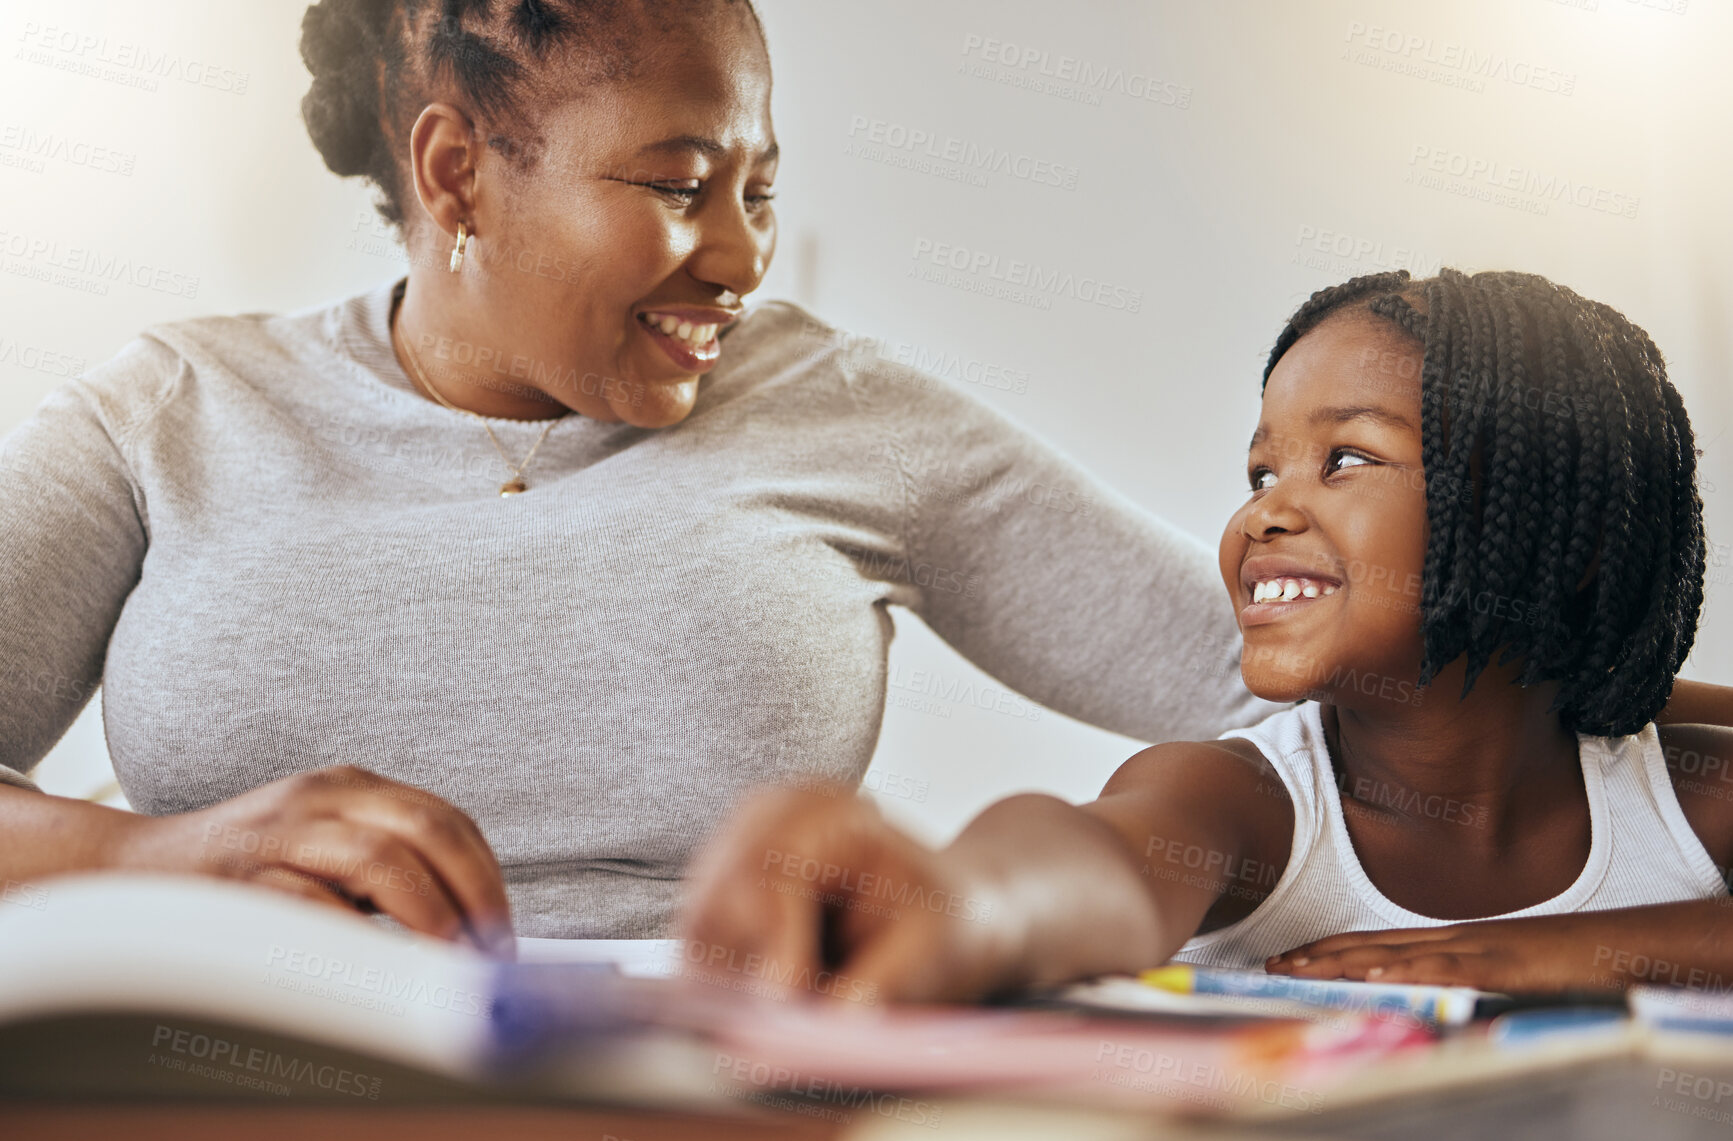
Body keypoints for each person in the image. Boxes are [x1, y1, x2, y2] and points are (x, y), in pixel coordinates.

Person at [0, 0, 1281, 950]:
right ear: (457, 175)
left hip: (707, 1096)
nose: (739, 256)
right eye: (676, 185)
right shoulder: (171, 411)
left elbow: (1289, 689)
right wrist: (157, 852)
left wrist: (1065, 877)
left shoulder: (832, 405)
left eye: (758, 190)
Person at [683, 269, 1733, 1000]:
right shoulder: (1245, 804)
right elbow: (1085, 862)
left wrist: (1574, 951)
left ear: (1566, 529)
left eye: (1349, 459)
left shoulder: (1674, 788)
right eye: (1259, 471)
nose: (1263, 513)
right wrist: (956, 902)